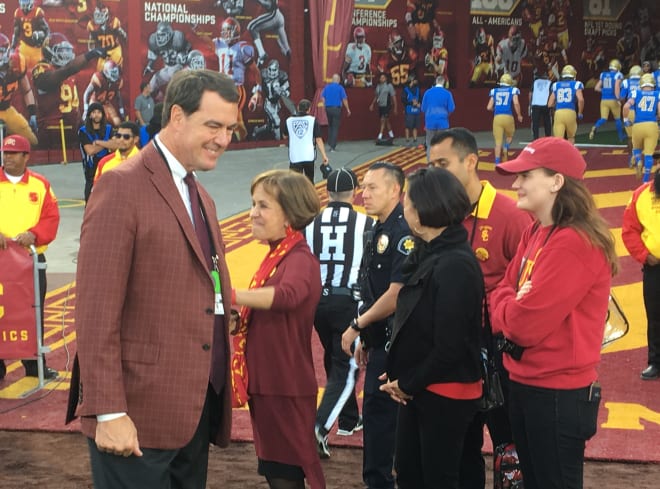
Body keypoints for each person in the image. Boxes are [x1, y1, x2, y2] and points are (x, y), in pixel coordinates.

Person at [66, 70, 238, 488]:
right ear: (176, 116)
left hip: (193, 410)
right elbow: (95, 311)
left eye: (230, 129)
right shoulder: (121, 187)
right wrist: (107, 411)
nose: (223, 139)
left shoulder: (201, 195)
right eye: (213, 126)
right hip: (135, 417)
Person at [491, 137, 618, 489]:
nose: (515, 183)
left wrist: (511, 305)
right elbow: (500, 291)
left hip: (557, 395)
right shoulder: (536, 229)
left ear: (556, 182)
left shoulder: (574, 242)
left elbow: (523, 327)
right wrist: (512, 301)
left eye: (525, 175)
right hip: (526, 384)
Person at [428, 128, 532, 489]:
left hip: (500, 354)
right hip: (453, 354)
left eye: (443, 163)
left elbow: (529, 285)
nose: (436, 172)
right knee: (461, 445)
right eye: (432, 165)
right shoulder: (437, 215)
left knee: (509, 447)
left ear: (471, 161)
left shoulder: (510, 214)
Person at [380, 167, 484, 489]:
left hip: (444, 394)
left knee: (439, 478)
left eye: (407, 202)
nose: (403, 208)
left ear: (424, 210)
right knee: (412, 474)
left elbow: (449, 346)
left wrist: (408, 382)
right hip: (425, 388)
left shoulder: (454, 264)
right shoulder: (434, 252)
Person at [232, 169, 324, 489]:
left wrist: (228, 295)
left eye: (263, 206)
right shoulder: (278, 256)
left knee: (285, 474)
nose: (253, 213)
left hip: (283, 384)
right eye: (253, 204)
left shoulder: (299, 258)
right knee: (277, 470)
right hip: (272, 383)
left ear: (290, 212)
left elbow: (287, 297)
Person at [341, 162, 414, 489]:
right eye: (363, 187)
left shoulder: (402, 233)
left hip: (396, 345)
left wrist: (357, 325)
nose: (363, 194)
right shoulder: (379, 228)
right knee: (379, 421)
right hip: (380, 342)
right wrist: (367, 338)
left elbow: (396, 294)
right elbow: (371, 287)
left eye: (372, 188)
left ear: (396, 190)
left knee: (381, 421)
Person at [305, 168, 374, 458]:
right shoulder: (366, 223)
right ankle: (319, 428)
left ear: (326, 192)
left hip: (318, 302)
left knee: (335, 357)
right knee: (346, 368)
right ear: (356, 190)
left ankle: (348, 419)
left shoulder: (310, 223)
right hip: (350, 302)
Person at [0, 134, 59, 381]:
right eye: (5, 153)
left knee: (32, 312)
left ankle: (35, 364)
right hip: (2, 262)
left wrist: (34, 235)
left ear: (26, 157)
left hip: (30, 263)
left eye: (13, 154)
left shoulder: (40, 184)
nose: (7, 157)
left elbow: (51, 217)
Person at [622, 169, 660, 380]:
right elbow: (629, 230)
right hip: (655, 267)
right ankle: (656, 361)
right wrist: (644, 255)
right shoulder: (641, 195)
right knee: (655, 316)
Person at [0, 33, 39, 146]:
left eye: (0, 51)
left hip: (6, 110)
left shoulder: (17, 63)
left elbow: (27, 90)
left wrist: (32, 114)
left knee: (32, 141)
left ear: (7, 52)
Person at [622, 73, 660, 183]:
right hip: (651, 125)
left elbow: (626, 106)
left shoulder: (635, 93)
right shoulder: (657, 94)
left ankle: (638, 160)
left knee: (636, 148)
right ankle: (646, 178)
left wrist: (625, 120)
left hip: (638, 125)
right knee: (649, 153)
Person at [78, 102, 116, 203]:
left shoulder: (109, 128)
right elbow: (90, 151)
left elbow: (115, 146)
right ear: (90, 115)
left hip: (107, 166)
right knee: (91, 200)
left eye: (99, 112)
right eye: (94, 112)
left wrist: (99, 143)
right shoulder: (83, 131)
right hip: (91, 168)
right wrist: (107, 143)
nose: (96, 114)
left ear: (102, 114)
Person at [285, 99, 329, 184]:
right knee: (310, 181)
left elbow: (285, 135)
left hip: (295, 156)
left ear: (298, 108)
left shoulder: (288, 121)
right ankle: (310, 196)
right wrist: (324, 156)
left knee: (295, 182)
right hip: (308, 155)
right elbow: (318, 139)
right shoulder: (313, 120)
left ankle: (296, 197)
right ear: (309, 109)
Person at [487, 73, 523, 165]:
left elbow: (488, 107)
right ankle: (506, 147)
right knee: (510, 136)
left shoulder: (494, 91)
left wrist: (494, 109)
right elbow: (516, 103)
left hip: (497, 118)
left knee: (497, 143)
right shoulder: (513, 90)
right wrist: (519, 115)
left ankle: (497, 162)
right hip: (508, 117)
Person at [547, 64, 585, 144]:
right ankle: (570, 155)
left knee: (558, 140)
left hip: (559, 113)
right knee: (570, 138)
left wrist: (558, 104)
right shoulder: (576, 84)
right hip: (570, 112)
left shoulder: (556, 85)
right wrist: (580, 112)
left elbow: (550, 104)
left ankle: (559, 156)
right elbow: (581, 99)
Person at [590, 59, 625, 141]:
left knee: (603, 118)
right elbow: (616, 88)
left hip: (604, 100)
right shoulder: (618, 75)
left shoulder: (603, 74)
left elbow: (596, 88)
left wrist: (605, 91)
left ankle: (595, 126)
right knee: (617, 119)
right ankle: (621, 137)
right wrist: (618, 99)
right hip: (613, 100)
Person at [321, 74, 351, 152]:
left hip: (328, 108)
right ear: (338, 80)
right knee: (335, 127)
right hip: (336, 109)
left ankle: (330, 143)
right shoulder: (340, 88)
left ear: (332, 80)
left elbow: (323, 97)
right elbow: (344, 99)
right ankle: (332, 146)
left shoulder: (327, 87)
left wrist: (324, 106)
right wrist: (348, 109)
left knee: (330, 126)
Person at [369, 73, 397, 141]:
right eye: (381, 78)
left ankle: (380, 136)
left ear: (386, 78)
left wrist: (395, 107)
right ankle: (391, 135)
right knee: (386, 121)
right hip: (380, 105)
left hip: (387, 105)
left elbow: (393, 97)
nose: (382, 79)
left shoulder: (389, 86)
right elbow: (376, 96)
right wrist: (372, 104)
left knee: (383, 120)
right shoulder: (378, 86)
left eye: (383, 78)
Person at [529, 72, 552, 140]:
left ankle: (535, 138)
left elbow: (530, 94)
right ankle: (548, 137)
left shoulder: (535, 82)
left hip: (535, 103)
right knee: (547, 121)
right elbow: (551, 94)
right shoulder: (549, 82)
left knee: (535, 122)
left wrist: (530, 104)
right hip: (545, 104)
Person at [402, 76, 421, 147]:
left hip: (416, 111)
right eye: (414, 80)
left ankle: (415, 139)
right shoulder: (405, 90)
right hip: (409, 110)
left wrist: (419, 103)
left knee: (415, 126)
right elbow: (403, 100)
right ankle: (407, 140)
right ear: (411, 81)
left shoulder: (418, 89)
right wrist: (411, 103)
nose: (416, 81)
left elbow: (420, 98)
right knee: (408, 126)